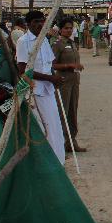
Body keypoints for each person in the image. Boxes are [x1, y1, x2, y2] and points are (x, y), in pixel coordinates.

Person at [16, 10, 66, 164]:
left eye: (41, 21)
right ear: (28, 24)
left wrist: (54, 80)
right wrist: (50, 78)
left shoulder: (43, 39)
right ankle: (47, 162)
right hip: (35, 91)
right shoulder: (24, 41)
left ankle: (59, 160)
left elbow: (49, 64)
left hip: (48, 90)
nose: (39, 24)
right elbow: (23, 71)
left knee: (55, 125)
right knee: (45, 128)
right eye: (35, 22)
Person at [52, 18, 86, 153]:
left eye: (71, 28)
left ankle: (71, 141)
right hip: (63, 81)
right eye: (66, 28)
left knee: (73, 111)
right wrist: (69, 65)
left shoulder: (72, 43)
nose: (69, 30)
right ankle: (60, 143)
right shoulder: (58, 44)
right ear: (60, 30)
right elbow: (52, 64)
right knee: (62, 112)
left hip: (74, 81)